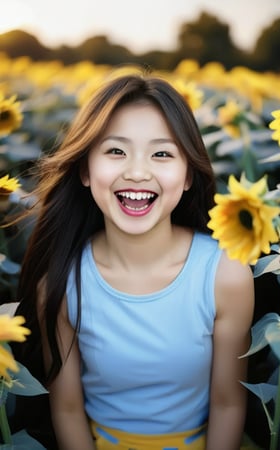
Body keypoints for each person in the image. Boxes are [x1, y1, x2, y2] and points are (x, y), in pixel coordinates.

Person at [12, 71, 254, 450]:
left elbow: (228, 404)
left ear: (189, 173)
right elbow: (68, 410)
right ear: (85, 171)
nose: (138, 172)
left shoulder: (225, 273)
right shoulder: (61, 280)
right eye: (116, 151)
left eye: (162, 153)